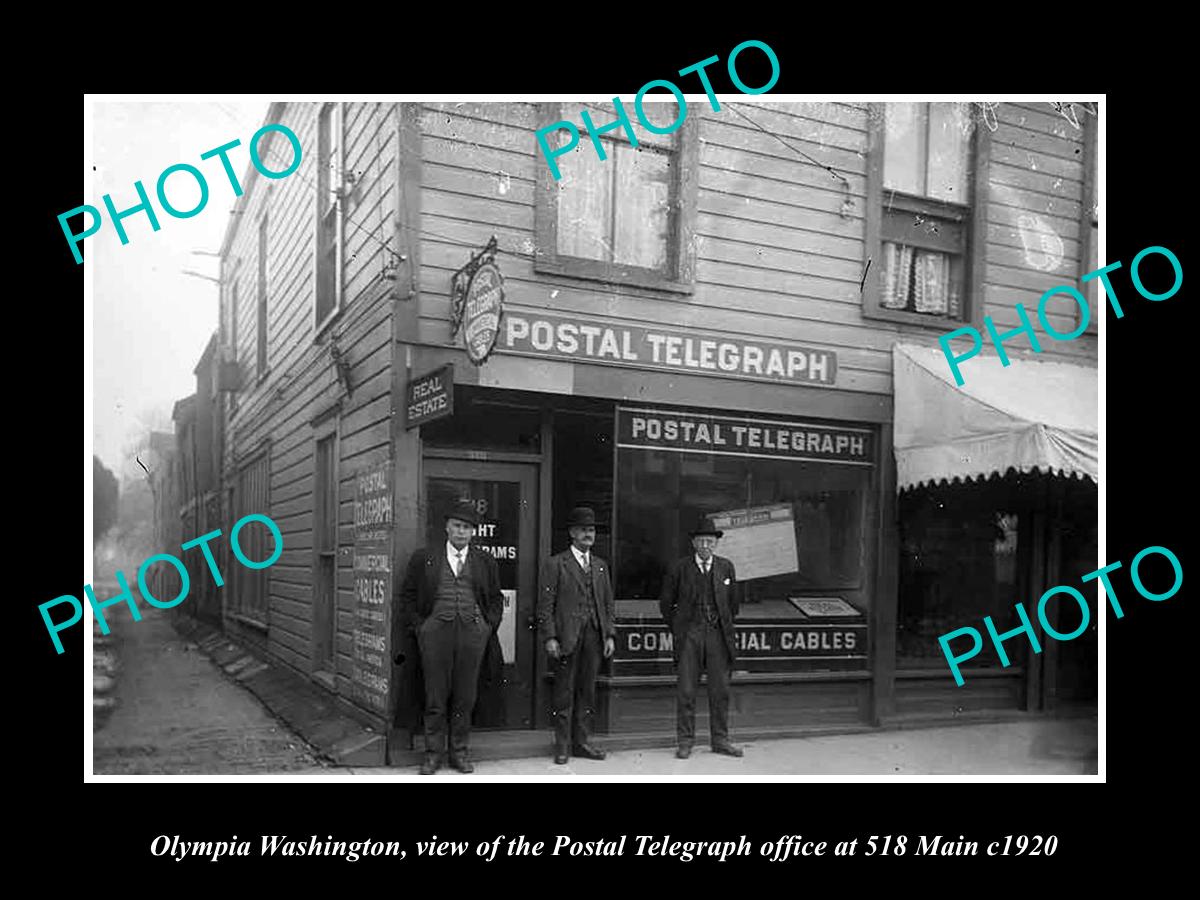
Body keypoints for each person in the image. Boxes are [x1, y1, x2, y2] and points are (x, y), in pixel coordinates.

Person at [399, 498, 503, 775]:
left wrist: (487, 626)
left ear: (473, 532)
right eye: (457, 526)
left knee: (465, 696)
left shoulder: (485, 561)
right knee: (435, 694)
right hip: (435, 633)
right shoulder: (425, 557)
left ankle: (459, 752)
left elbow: (494, 598)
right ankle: (432, 754)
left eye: (467, 528)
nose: (461, 532)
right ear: (447, 527)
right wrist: (421, 626)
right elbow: (407, 596)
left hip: (473, 633)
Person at [659, 515, 743, 759]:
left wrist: (719, 625)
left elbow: (733, 605)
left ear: (715, 544)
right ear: (693, 544)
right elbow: (666, 604)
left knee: (720, 691)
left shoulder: (726, 567)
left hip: (718, 635)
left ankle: (720, 740)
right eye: (700, 541)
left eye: (709, 541)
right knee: (686, 691)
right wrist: (680, 628)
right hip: (689, 636)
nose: (705, 546)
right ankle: (685, 742)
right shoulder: (679, 568)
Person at [537, 506, 615, 765]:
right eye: (583, 530)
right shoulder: (556, 564)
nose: (588, 534)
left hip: (594, 635)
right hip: (567, 637)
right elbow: (545, 605)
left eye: (591, 530)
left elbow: (607, 605)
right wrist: (550, 637)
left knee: (587, 691)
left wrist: (610, 636)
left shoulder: (601, 566)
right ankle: (562, 745)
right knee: (564, 692)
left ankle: (581, 742)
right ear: (572, 533)